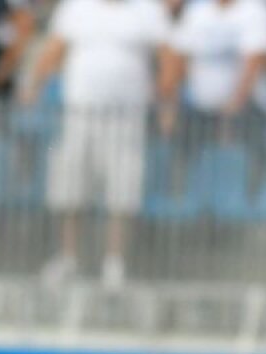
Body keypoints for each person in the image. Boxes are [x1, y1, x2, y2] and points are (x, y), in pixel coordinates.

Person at [22, 0, 172, 290]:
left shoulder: (149, 10)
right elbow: (55, 49)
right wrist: (33, 86)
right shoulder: (76, 7)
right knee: (70, 187)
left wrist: (166, 102)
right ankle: (68, 257)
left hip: (127, 118)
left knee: (122, 190)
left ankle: (114, 262)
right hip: (79, 114)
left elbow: (167, 58)